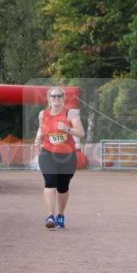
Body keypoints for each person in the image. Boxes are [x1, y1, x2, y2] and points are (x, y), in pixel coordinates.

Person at [34, 88, 85, 229]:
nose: (56, 98)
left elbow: (81, 132)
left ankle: (60, 215)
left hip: (67, 155)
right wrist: (38, 139)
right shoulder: (42, 114)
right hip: (47, 153)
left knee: (63, 187)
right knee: (50, 181)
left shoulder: (71, 113)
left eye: (59, 96)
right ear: (49, 98)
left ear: (63, 98)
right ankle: (50, 216)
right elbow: (42, 129)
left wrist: (67, 129)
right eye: (53, 96)